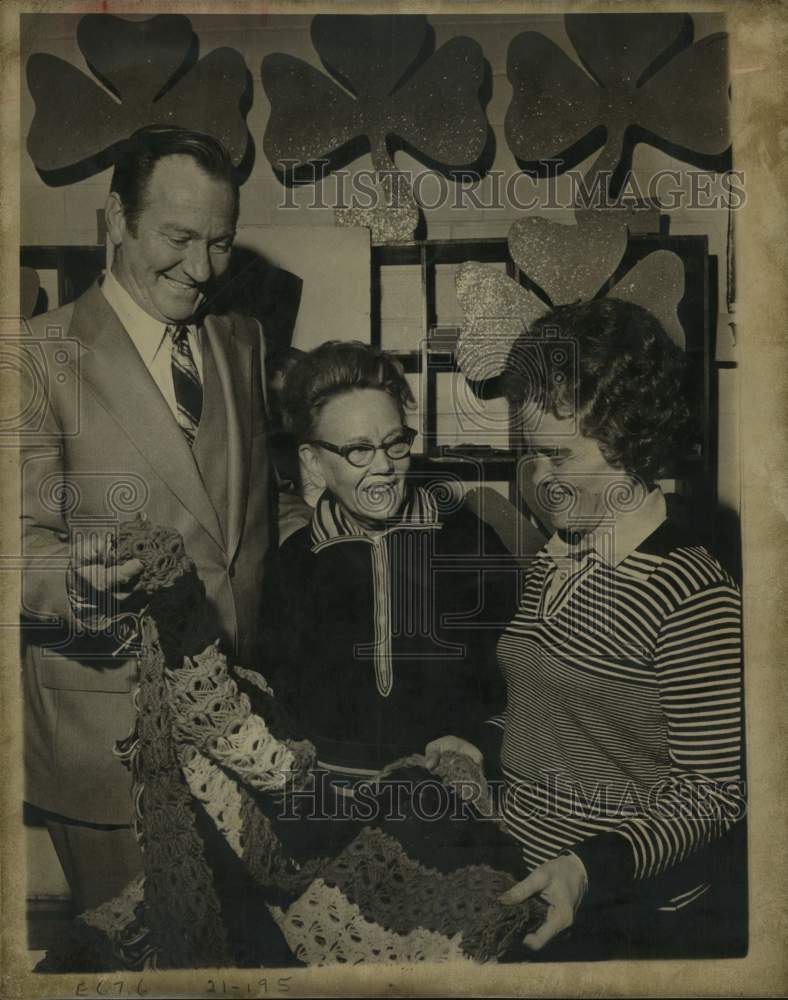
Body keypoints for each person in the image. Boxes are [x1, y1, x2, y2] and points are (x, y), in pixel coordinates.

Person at [430, 298, 745, 959]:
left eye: (558, 457)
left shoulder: (691, 593)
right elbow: (556, 709)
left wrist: (589, 867)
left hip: (627, 917)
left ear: (627, 440)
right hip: (525, 885)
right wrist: (479, 744)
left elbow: (713, 793)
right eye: (531, 456)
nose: (539, 481)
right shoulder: (561, 554)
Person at [20, 125, 274, 913]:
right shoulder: (35, 354)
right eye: (178, 238)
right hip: (112, 746)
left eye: (222, 243)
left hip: (241, 731)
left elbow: (248, 506)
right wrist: (78, 583)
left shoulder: (244, 341)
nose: (202, 270)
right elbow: (17, 548)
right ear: (116, 221)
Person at [264, 340, 520, 799]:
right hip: (328, 801)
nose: (383, 466)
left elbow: (525, 676)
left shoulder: (467, 540)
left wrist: (483, 744)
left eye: (395, 443)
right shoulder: (293, 563)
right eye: (358, 450)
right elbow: (277, 699)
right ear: (312, 461)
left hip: (447, 799)